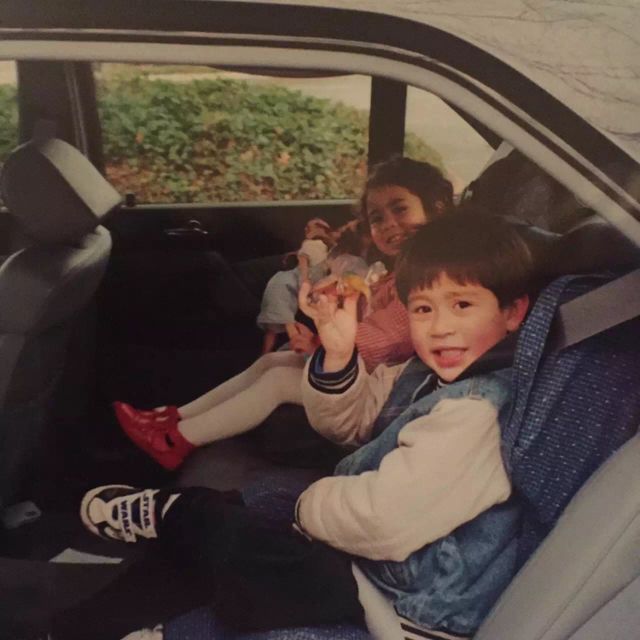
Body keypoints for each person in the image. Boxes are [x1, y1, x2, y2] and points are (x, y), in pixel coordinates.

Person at [76, 210, 533, 640]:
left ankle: (179, 517)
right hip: (374, 572)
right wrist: (339, 355)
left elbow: (380, 523)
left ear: (513, 312)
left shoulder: (475, 413)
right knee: (244, 528)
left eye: (462, 304)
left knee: (233, 536)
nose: (440, 328)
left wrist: (307, 507)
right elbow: (348, 426)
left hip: (404, 610)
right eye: (423, 309)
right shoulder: (422, 373)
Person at [113, 157, 454, 471]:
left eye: (400, 209)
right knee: (273, 361)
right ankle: (172, 418)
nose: (389, 225)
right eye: (377, 218)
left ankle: (176, 441)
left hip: (379, 396)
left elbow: (385, 341)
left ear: (436, 207)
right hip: (363, 374)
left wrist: (323, 343)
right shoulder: (397, 271)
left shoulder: (426, 278)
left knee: (278, 381)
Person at [258, 217, 342, 355]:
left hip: (304, 284)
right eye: (306, 228)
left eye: (310, 227)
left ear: (321, 229)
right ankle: (269, 354)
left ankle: (272, 353)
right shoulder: (309, 244)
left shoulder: (328, 249)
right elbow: (303, 261)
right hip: (290, 281)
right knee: (283, 317)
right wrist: (305, 280)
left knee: (282, 318)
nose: (306, 230)